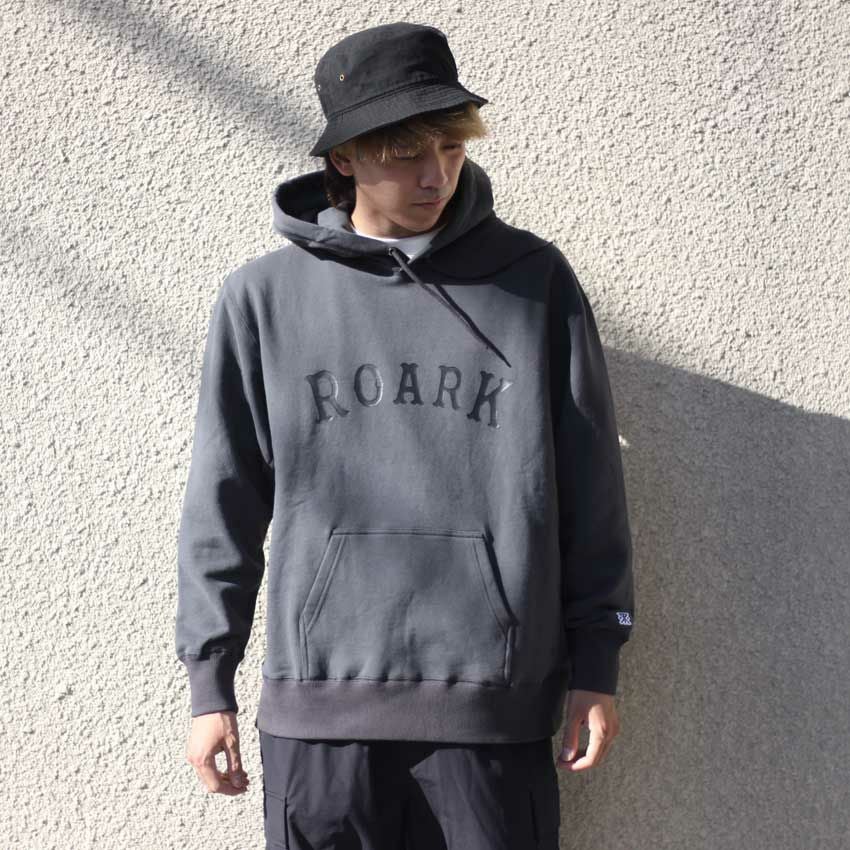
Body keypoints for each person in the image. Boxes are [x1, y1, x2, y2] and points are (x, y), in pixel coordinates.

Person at [175, 21, 635, 850]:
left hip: (492, 712)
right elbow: (223, 500)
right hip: (321, 715)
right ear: (346, 158)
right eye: (405, 153)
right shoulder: (263, 299)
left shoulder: (534, 283)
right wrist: (211, 684)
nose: (436, 174)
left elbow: (590, 487)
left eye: (451, 147)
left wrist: (596, 663)